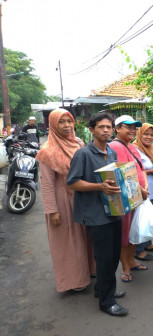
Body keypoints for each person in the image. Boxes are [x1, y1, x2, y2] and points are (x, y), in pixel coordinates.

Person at [67, 112, 128, 316]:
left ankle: (102, 288)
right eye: (101, 127)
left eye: (109, 127)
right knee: (103, 258)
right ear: (91, 130)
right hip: (95, 215)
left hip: (114, 211)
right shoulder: (82, 154)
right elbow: (73, 182)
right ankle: (106, 302)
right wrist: (99, 186)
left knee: (113, 256)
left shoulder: (111, 152)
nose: (106, 130)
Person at [36, 108, 95, 293]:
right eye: (61, 122)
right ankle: (75, 279)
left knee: (87, 236)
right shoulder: (47, 151)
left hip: (82, 196)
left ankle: (90, 269)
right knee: (70, 241)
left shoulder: (77, 143)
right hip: (62, 201)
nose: (67, 126)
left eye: (69, 121)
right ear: (53, 124)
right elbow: (47, 184)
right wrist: (52, 210)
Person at [109, 115, 150, 283]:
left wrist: (145, 185)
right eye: (128, 127)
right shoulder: (115, 146)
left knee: (134, 230)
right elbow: (122, 173)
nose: (133, 130)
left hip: (138, 195)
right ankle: (125, 266)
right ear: (117, 128)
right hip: (125, 197)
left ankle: (132, 261)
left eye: (135, 127)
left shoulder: (132, 147)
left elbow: (141, 169)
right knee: (124, 234)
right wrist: (141, 189)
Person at [132, 123, 153, 261]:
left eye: (152, 135)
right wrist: (150, 171)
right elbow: (135, 169)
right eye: (146, 134)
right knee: (142, 220)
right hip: (143, 190)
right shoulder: (134, 149)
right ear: (140, 134)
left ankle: (147, 244)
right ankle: (138, 250)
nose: (149, 137)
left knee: (150, 217)